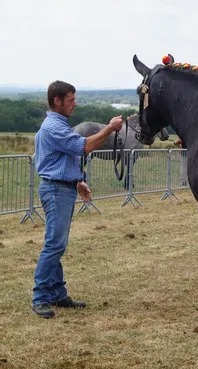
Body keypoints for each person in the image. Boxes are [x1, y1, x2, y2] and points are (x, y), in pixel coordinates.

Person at [31, 80, 124, 319]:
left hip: (62, 188)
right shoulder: (53, 127)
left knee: (57, 243)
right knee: (55, 244)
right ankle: (40, 297)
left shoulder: (57, 125)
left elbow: (60, 159)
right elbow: (84, 146)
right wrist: (110, 128)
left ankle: (57, 294)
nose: (75, 104)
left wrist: (77, 181)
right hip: (55, 191)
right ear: (57, 101)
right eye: (71, 100)